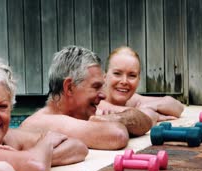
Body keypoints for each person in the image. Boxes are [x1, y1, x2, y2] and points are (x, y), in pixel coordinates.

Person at [0, 54, 88, 171]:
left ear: (11, 106)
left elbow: (79, 147)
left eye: (1, 106)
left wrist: (31, 155)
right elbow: (37, 166)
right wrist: (46, 143)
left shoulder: (9, 137)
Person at [20, 45, 153, 150]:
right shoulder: (40, 122)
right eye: (96, 87)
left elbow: (145, 122)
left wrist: (113, 118)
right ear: (69, 88)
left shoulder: (82, 114)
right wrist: (111, 121)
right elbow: (117, 135)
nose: (103, 95)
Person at [98, 46, 184, 124]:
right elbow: (135, 118)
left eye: (132, 75)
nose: (124, 81)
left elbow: (178, 107)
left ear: (139, 80)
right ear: (104, 77)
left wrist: (150, 106)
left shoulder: (132, 100)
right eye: (117, 73)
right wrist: (150, 114)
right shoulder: (96, 101)